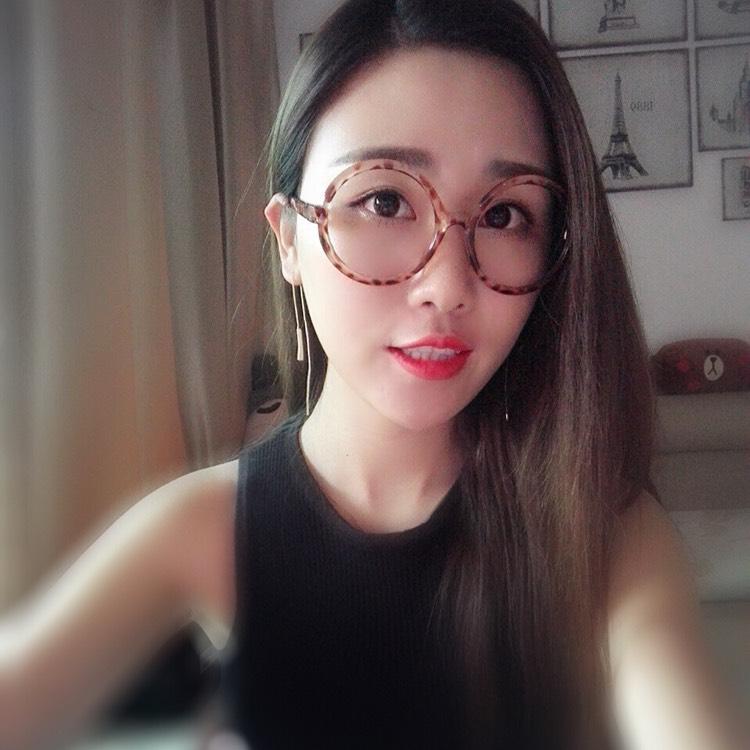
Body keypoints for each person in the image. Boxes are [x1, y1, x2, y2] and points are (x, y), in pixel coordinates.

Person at [0, 1, 746, 749]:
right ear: (288, 240)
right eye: (384, 200)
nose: (447, 286)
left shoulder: (605, 535)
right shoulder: (203, 528)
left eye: (505, 215)